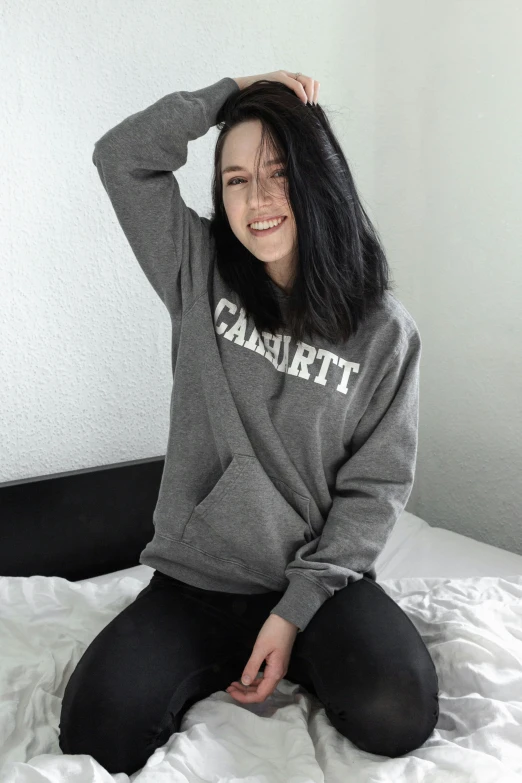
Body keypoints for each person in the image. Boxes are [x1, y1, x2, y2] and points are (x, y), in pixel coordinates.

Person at [58, 70, 439, 774]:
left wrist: (292, 612)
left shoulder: (385, 333)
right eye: (235, 180)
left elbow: (375, 488)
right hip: (196, 582)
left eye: (276, 173)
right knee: (94, 731)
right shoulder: (196, 269)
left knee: (400, 710)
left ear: (316, 178)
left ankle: (290, 647)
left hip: (316, 583)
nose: (257, 199)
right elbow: (121, 156)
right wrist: (228, 92)